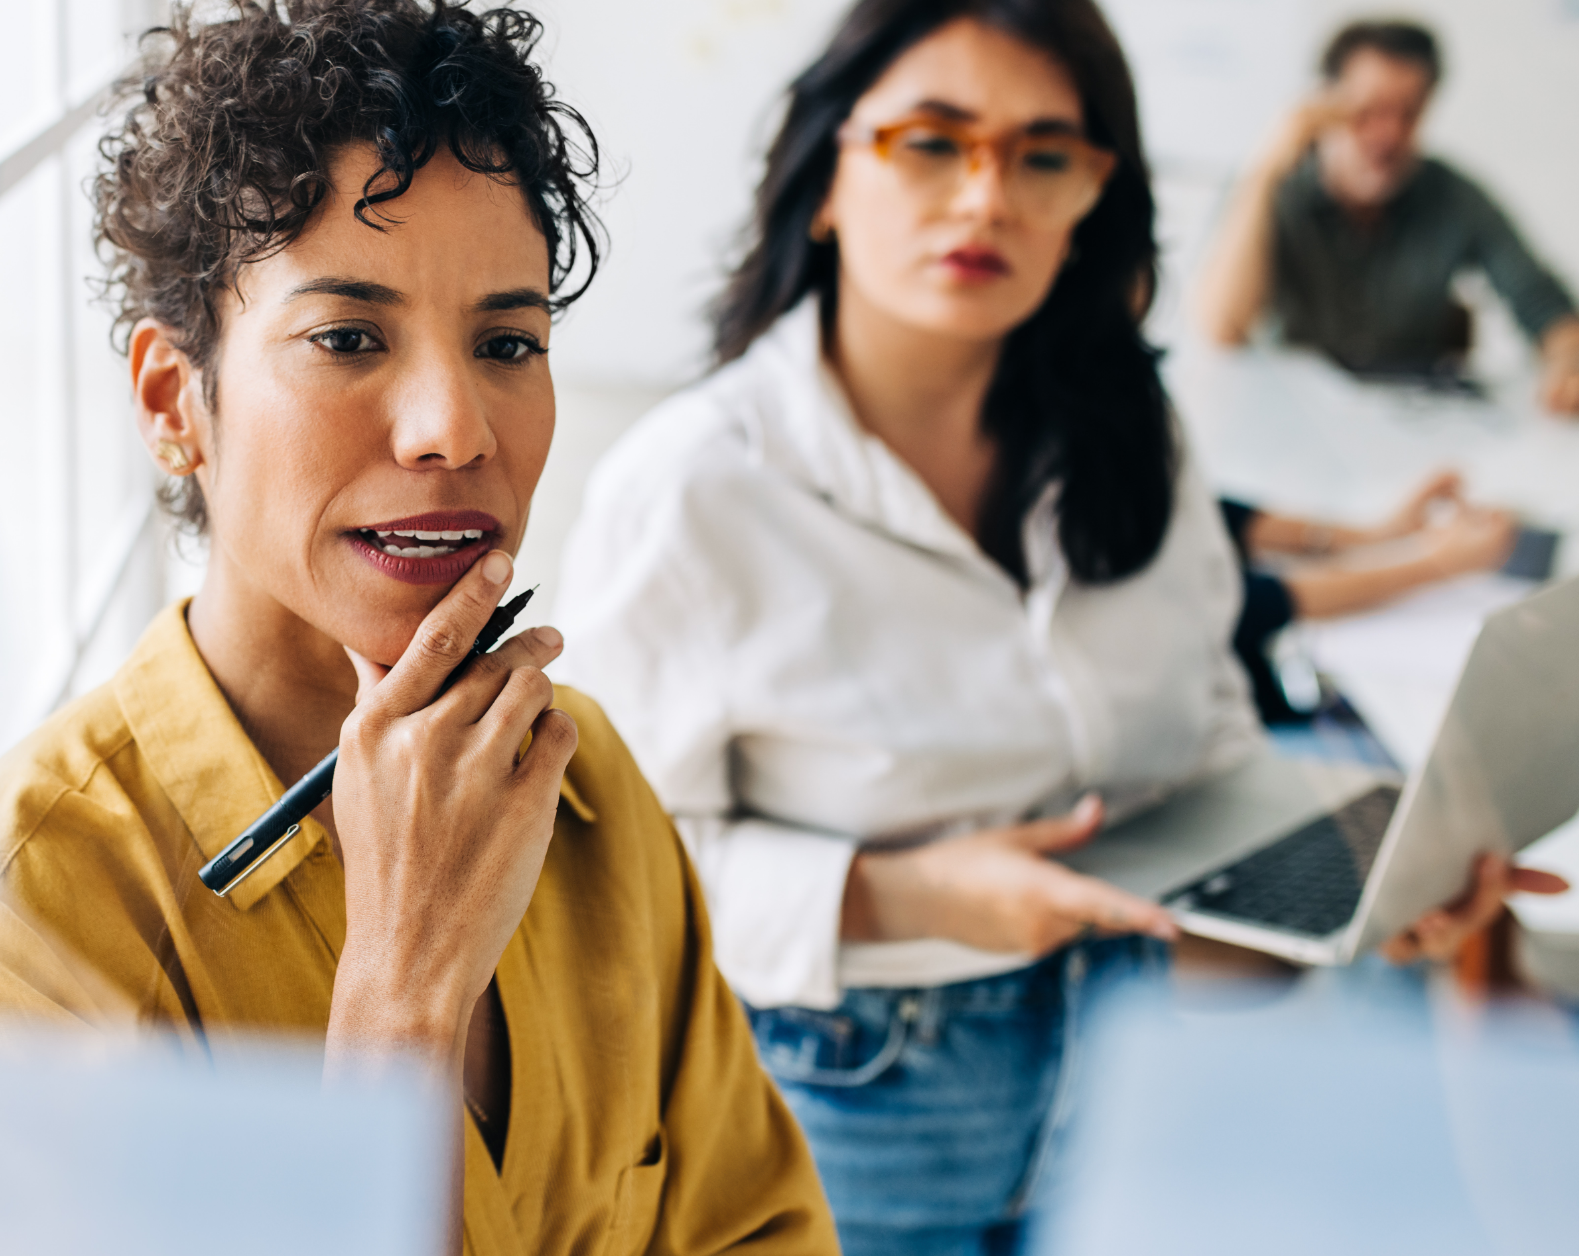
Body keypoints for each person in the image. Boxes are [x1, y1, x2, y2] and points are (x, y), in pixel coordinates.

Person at [553, 1, 1558, 1251]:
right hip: (840, 1092)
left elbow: (1204, 755)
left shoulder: (1135, 438)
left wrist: (1363, 896)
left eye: (1042, 155)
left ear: (1093, 197)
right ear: (826, 181)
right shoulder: (693, 487)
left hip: (1123, 1051)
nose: (987, 199)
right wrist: (899, 892)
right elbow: (595, 881)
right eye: (932, 141)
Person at [0, 4, 837, 1253]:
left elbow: (764, 1226)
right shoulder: (7, 926)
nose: (454, 428)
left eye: (507, 342)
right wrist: (402, 1003)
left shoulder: (582, 784)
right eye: (348, 337)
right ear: (176, 403)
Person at [1193, 19, 1580, 413]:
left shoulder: (1452, 195)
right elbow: (1222, 329)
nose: (1388, 135)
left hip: (1409, 422)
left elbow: (1545, 304)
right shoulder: (1272, 186)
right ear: (1324, 105)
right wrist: (1266, 170)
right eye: (1368, 110)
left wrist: (1567, 363)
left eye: (1408, 114)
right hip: (1293, 421)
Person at [1221, 470, 1518, 724]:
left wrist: (1374, 535)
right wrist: (1440, 565)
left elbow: (1211, 514)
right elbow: (1250, 604)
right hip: (1254, 695)